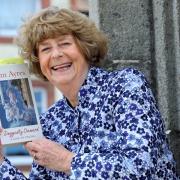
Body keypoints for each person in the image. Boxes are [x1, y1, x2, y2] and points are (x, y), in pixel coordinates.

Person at [0, 7, 178, 179]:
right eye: (46, 49)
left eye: (65, 43)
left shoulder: (125, 86)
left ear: (85, 49)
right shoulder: (49, 121)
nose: (56, 54)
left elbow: (141, 167)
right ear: (39, 64)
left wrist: (65, 160)